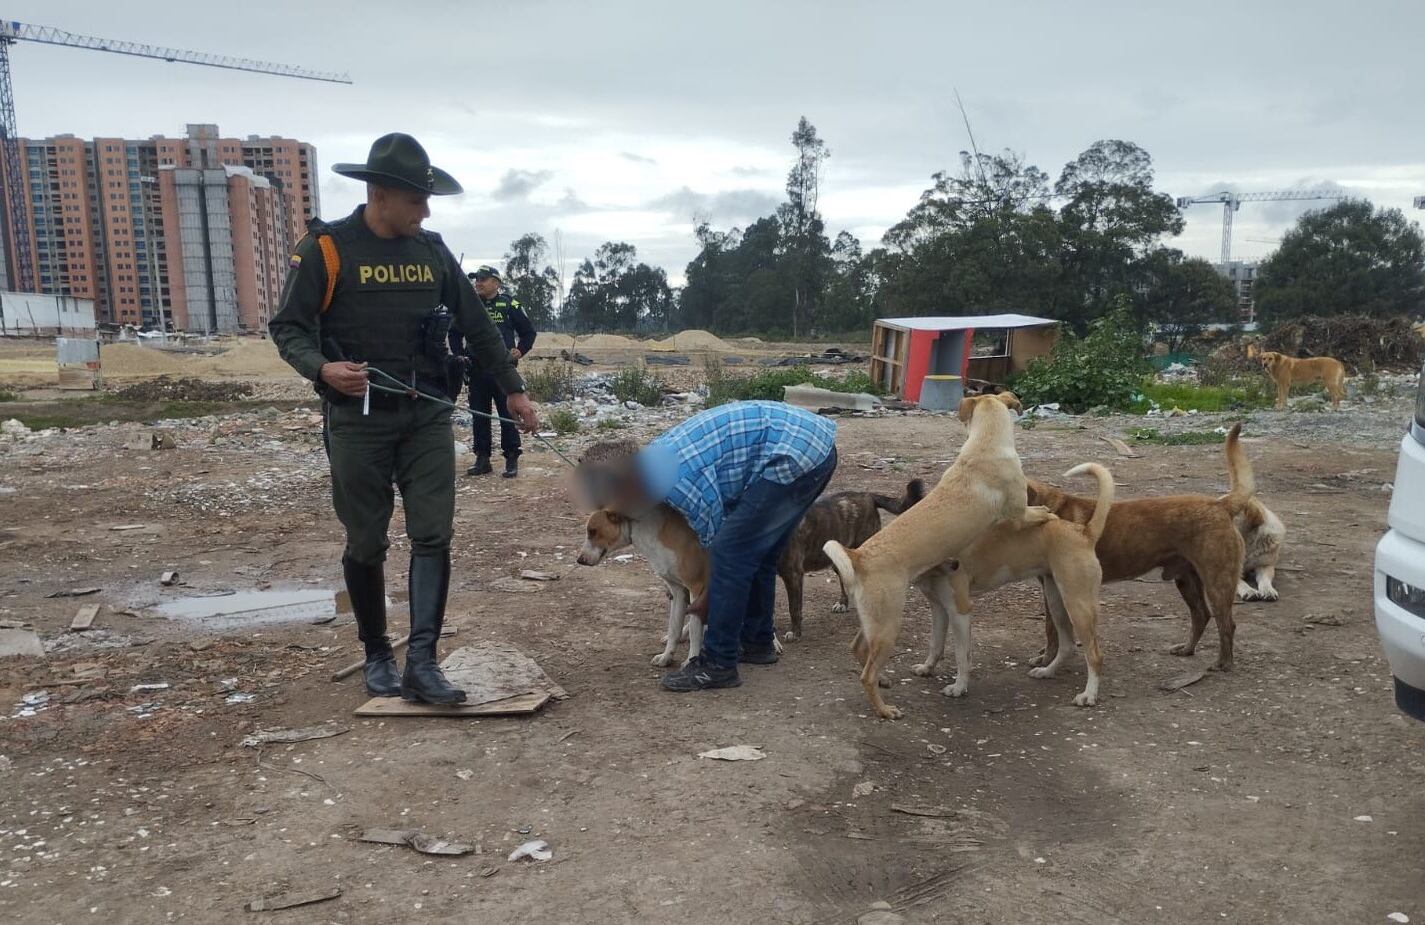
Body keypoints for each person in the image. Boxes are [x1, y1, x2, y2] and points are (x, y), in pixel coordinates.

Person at [269, 133, 539, 705]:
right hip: (357, 422)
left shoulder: (433, 253)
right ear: (379, 193)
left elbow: (480, 328)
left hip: (427, 417)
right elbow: (287, 327)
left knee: (433, 533)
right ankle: (376, 654)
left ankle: (422, 661)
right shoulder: (327, 250)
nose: (426, 211)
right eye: (416, 200)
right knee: (366, 541)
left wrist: (513, 391)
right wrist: (322, 369)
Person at [579, 400, 837, 691]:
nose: (613, 506)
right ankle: (757, 641)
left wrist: (706, 596)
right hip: (805, 442)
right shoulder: (648, 463)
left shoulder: (677, 482)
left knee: (732, 552)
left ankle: (718, 663)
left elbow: (715, 539)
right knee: (759, 551)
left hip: (799, 453)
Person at [449, 266, 536, 478]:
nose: (478, 282)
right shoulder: (469, 305)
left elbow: (528, 332)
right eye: (476, 279)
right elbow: (453, 333)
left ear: (496, 283)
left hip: (502, 371)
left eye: (483, 279)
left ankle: (511, 458)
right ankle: (482, 458)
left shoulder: (510, 304)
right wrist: (461, 356)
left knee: (507, 414)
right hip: (477, 369)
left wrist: (520, 350)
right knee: (479, 415)